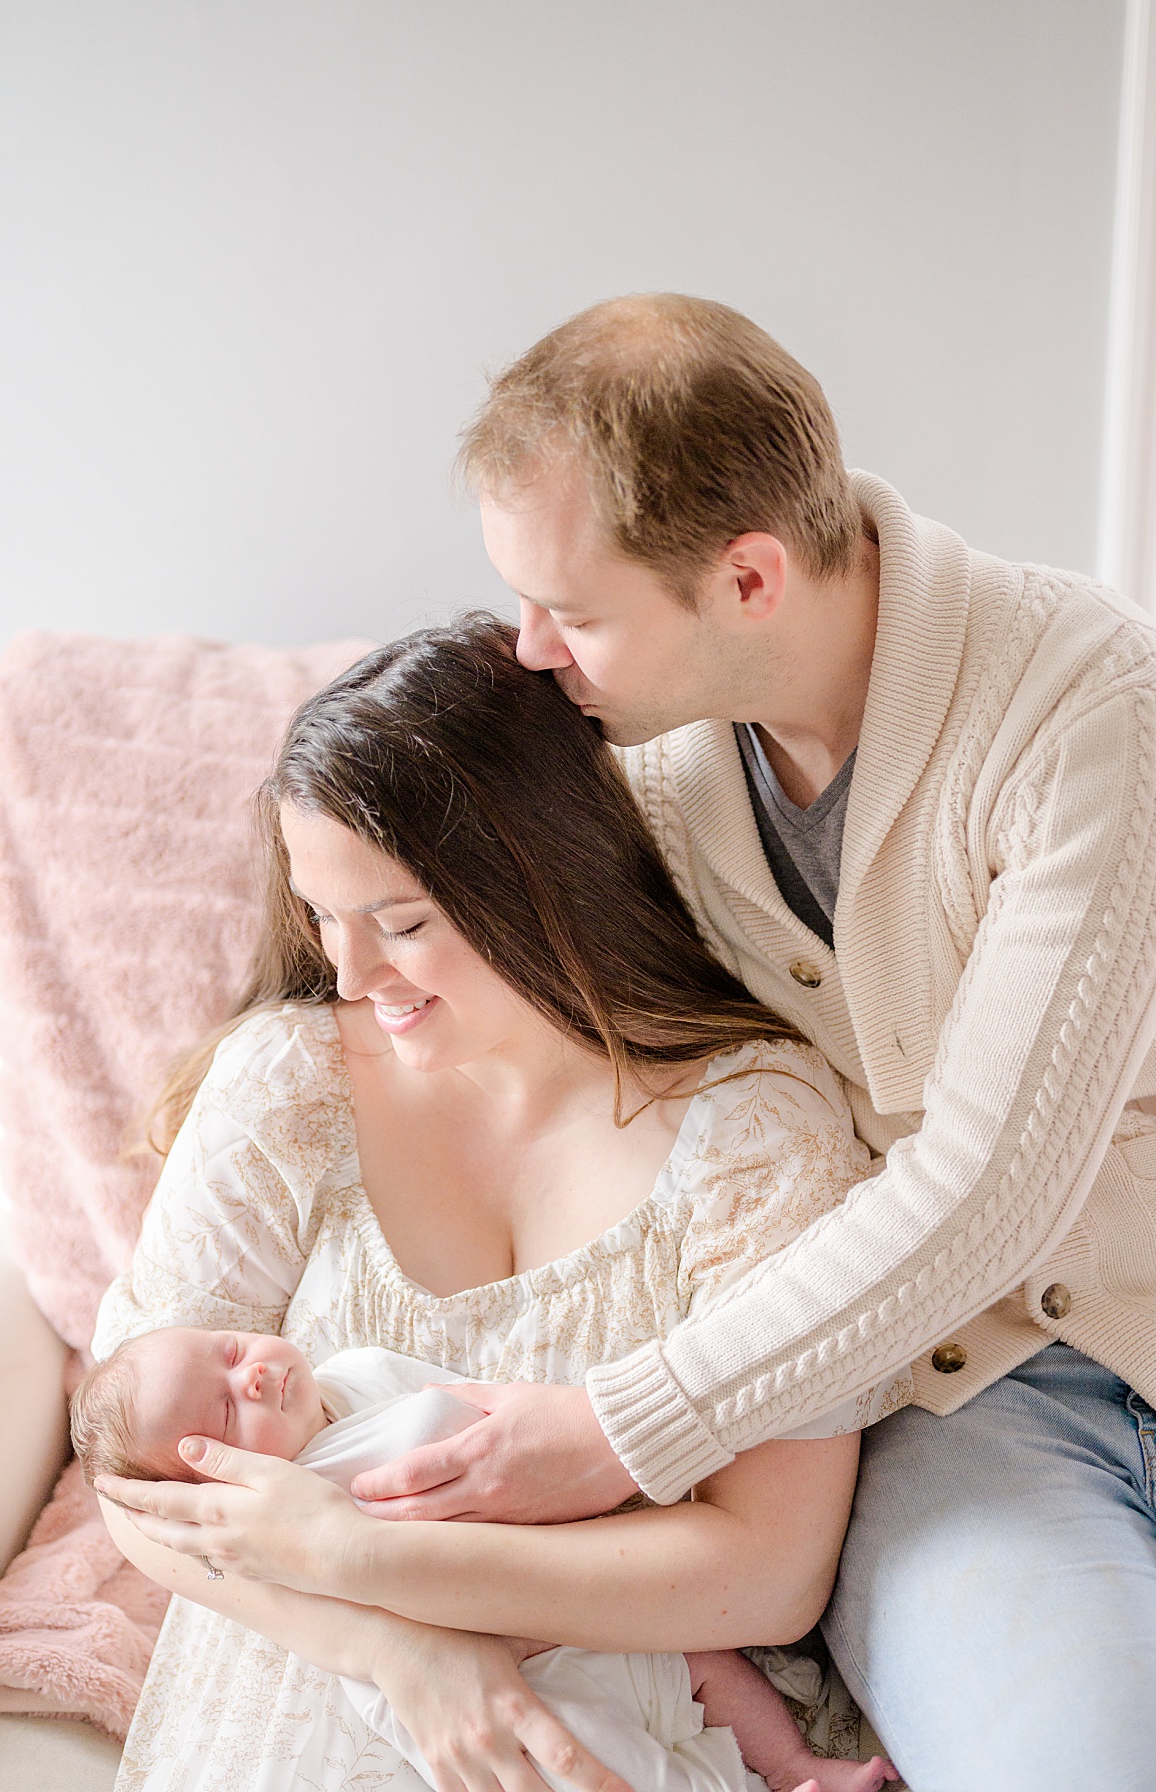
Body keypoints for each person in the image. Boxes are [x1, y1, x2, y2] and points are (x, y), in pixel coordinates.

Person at [340, 295, 1156, 1788]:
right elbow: (397, 905)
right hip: (966, 1407)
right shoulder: (634, 768)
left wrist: (619, 1427)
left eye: (572, 612)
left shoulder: (1087, 701)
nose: (532, 651)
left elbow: (995, 1183)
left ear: (750, 577)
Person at [87, 617, 904, 1792]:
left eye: (403, 923)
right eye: (323, 914)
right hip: (299, 1710)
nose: (353, 975)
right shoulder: (288, 1079)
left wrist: (381, 1563)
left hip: (633, 1725)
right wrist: (403, 1649)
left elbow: (772, 1571)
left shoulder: (757, 1133)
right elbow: (138, 1480)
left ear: (542, 871)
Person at [76, 1329, 893, 1792]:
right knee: (595, 1762)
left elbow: (484, 1412)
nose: (252, 1374)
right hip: (511, 1674)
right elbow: (148, 1519)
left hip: (572, 1592)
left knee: (707, 1667)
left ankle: (792, 1768)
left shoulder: (356, 1375)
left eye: (227, 1350)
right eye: (227, 1411)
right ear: (211, 1485)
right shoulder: (261, 1523)